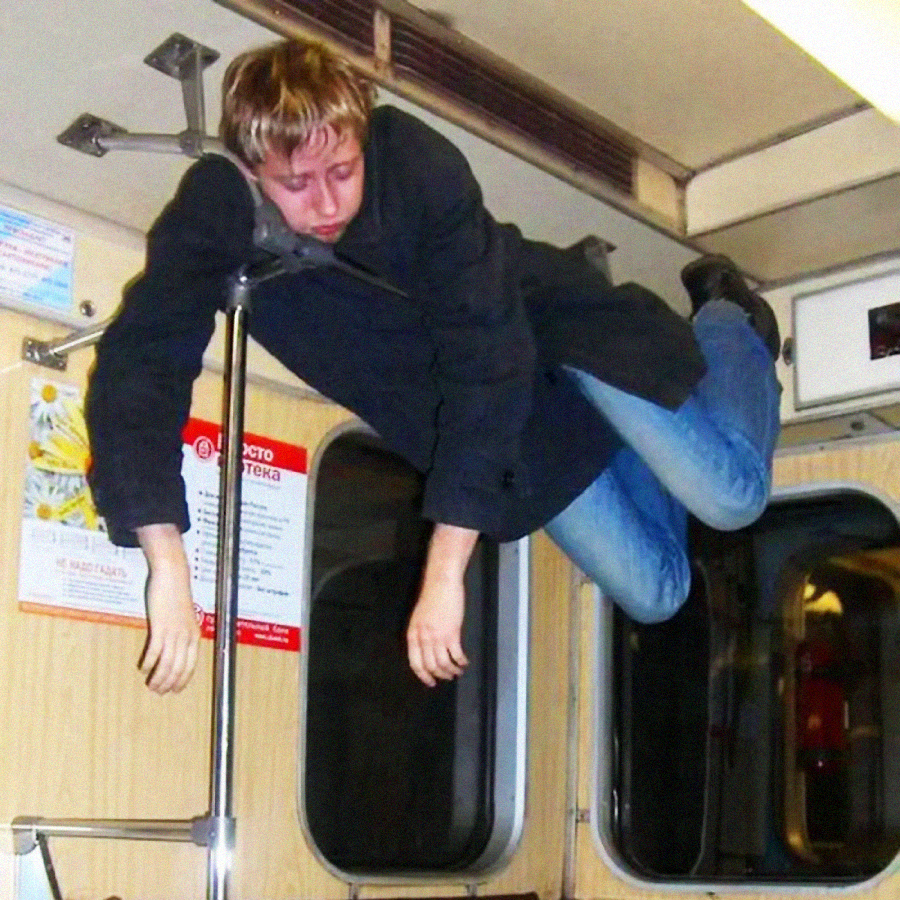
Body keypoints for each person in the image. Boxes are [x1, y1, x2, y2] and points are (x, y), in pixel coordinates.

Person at [85, 38, 781, 695]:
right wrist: (167, 563)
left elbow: (487, 359)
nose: (326, 204)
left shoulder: (416, 163)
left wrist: (445, 573)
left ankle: (727, 316)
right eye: (296, 183)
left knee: (732, 498)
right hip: (520, 436)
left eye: (342, 172)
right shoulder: (214, 212)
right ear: (252, 169)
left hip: (556, 339)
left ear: (363, 143)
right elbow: (139, 368)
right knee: (658, 595)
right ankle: (633, 437)